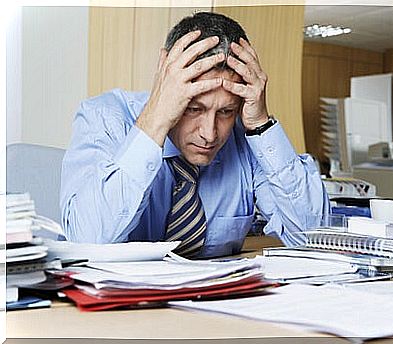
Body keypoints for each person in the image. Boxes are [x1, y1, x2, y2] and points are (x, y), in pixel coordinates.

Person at [60, 11, 329, 258]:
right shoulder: (104, 117)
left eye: (225, 111)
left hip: (213, 304)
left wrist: (260, 124)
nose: (209, 134)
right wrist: (155, 121)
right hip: (125, 308)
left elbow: (316, 240)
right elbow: (87, 242)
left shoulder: (245, 137)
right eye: (193, 108)